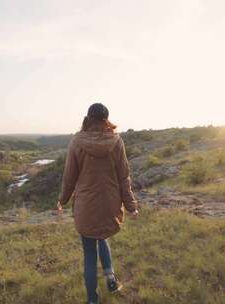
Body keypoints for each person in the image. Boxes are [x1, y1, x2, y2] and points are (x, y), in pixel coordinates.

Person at [57, 102, 139, 304]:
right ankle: (111, 280)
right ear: (106, 119)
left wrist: (62, 200)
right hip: (110, 204)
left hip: (86, 207)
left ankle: (92, 300)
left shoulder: (77, 142)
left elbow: (69, 178)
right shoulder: (116, 141)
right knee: (102, 237)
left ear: (88, 118)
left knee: (89, 255)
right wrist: (131, 206)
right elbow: (124, 178)